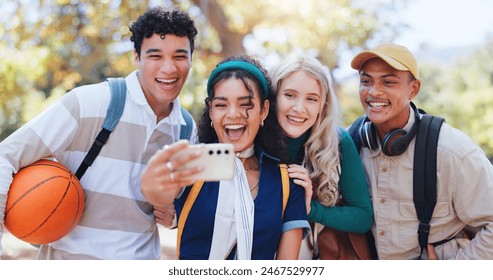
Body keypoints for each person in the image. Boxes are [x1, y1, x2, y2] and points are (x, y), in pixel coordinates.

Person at [0, 6, 198, 259]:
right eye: (155, 56)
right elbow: (5, 156)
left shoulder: (186, 131)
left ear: (192, 59)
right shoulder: (88, 103)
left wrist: (175, 217)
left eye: (180, 56)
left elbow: (184, 209)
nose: (169, 68)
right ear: (136, 57)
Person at [141, 55, 310, 260]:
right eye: (221, 105)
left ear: (264, 110)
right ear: (211, 111)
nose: (232, 114)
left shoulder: (287, 182)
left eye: (245, 104)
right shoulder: (192, 168)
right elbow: (159, 201)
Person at [349, 43, 493, 259]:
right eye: (366, 81)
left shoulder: (453, 152)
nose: (373, 91)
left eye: (388, 82)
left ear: (413, 89)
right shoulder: (354, 143)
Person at [269, 54, 373, 259]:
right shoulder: (255, 140)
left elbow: (363, 217)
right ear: (273, 98)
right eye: (289, 95)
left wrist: (310, 209)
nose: (299, 108)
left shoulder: (338, 142)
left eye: (311, 99)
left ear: (322, 106)